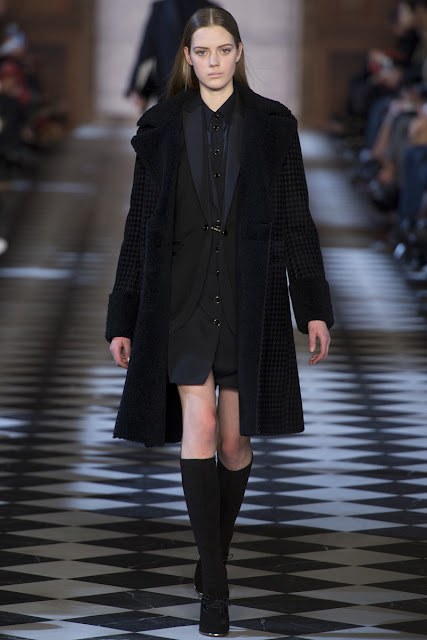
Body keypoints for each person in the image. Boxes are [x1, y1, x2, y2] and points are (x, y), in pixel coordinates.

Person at [107, 7, 333, 637]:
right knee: (200, 426)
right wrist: (124, 313)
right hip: (179, 295)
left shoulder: (273, 125)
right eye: (201, 51)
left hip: (246, 296)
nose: (212, 61)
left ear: (238, 52)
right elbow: (138, 225)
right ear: (188, 57)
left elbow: (297, 217)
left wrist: (313, 307)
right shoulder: (159, 127)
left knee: (234, 445)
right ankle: (215, 585)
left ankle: (214, 554)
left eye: (223, 50)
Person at [125, 0, 219, 109]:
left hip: (200, 86)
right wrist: (139, 88)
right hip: (168, 85)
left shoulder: (211, 10)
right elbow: (147, 50)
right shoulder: (161, 9)